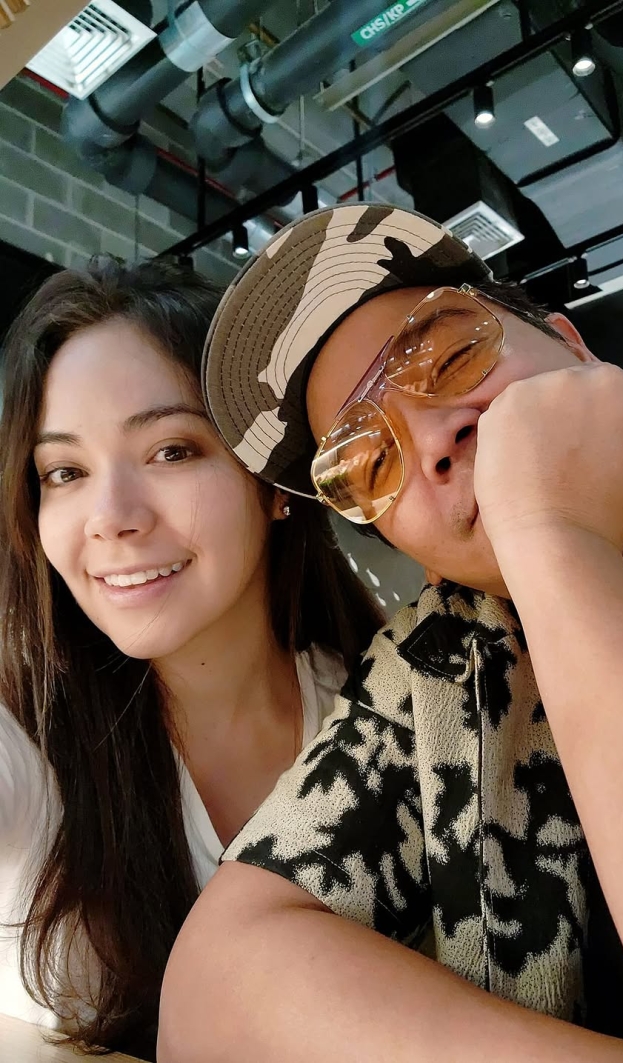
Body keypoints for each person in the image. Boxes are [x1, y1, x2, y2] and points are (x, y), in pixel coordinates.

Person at [160, 204, 623, 1062]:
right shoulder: (432, 658)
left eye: (455, 355)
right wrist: (550, 538)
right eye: (369, 460)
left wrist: (553, 534)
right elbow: (214, 987)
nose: (431, 435)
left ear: (573, 345)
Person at [0, 257, 382, 1059]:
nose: (110, 517)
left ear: (273, 481)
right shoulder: (26, 730)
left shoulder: (380, 702)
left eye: (171, 450)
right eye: (64, 471)